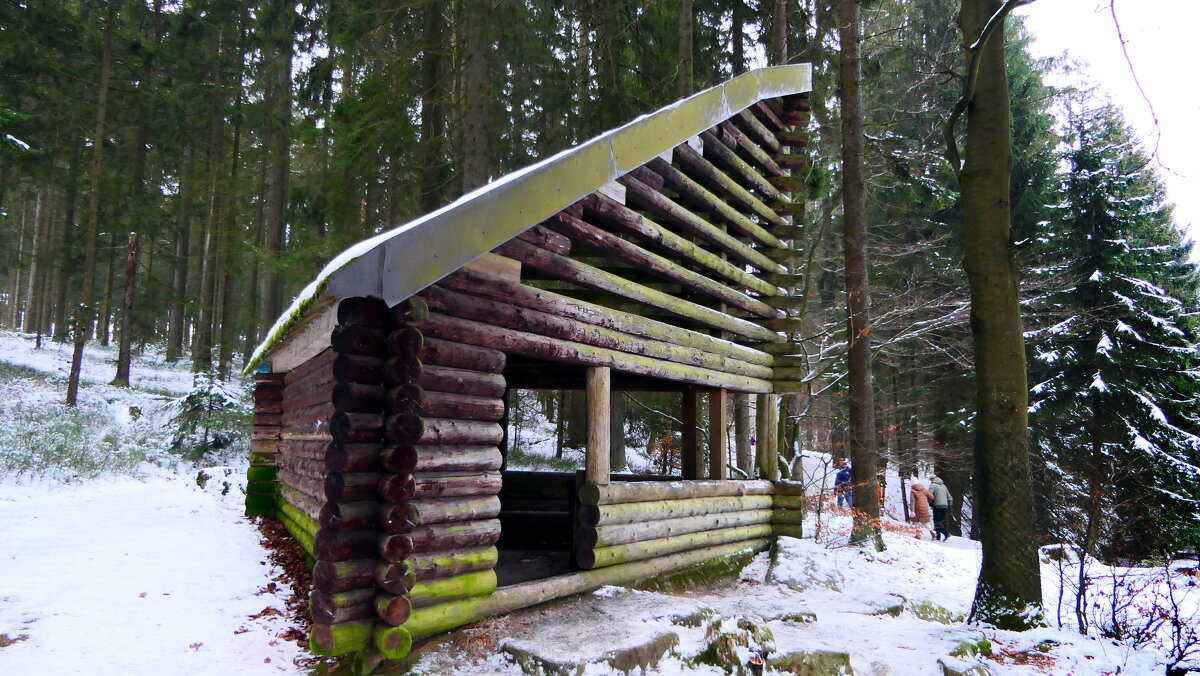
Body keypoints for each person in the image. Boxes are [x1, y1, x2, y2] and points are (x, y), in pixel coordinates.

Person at [929, 476, 952, 541]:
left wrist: (930, 503)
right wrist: (950, 506)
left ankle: (946, 533)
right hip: (945, 506)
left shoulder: (933, 485)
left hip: (937, 505)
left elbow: (930, 495)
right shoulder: (944, 486)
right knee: (939, 521)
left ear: (932, 479)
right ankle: (938, 536)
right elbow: (949, 497)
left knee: (937, 522)